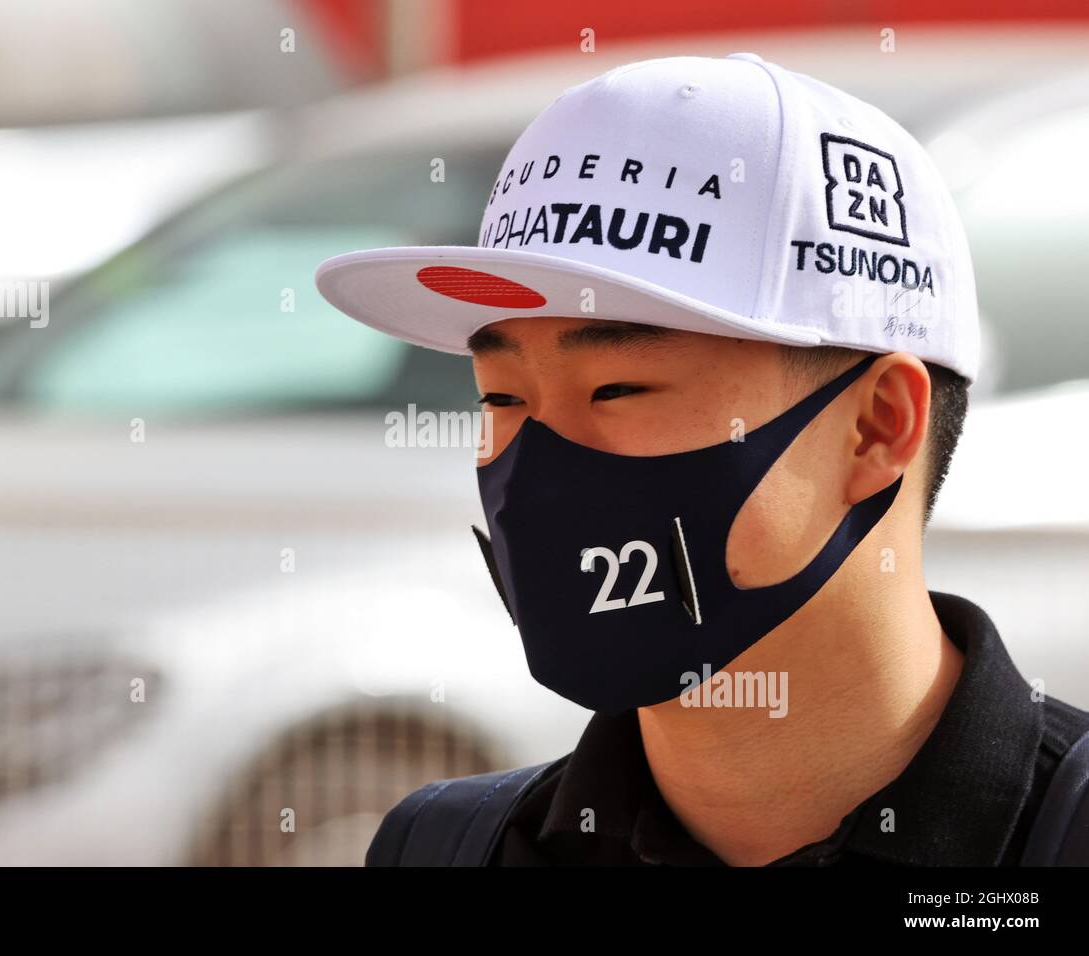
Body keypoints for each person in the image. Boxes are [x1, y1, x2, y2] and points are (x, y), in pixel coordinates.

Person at [314, 53, 1089, 866]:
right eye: (501, 398)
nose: (535, 473)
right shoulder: (445, 849)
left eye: (618, 388)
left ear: (878, 426)